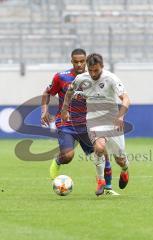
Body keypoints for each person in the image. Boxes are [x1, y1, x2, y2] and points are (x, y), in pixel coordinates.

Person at [41, 49, 118, 196]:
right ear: (71, 61)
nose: (79, 64)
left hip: (88, 123)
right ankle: (58, 160)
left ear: (87, 61)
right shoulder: (61, 77)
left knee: (102, 151)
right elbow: (47, 92)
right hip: (67, 123)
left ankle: (107, 187)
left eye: (82, 61)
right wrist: (44, 111)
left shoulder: (97, 77)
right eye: (76, 62)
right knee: (68, 156)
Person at [61, 53, 130, 191]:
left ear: (102, 67)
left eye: (96, 70)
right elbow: (69, 92)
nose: (93, 73)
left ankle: (125, 169)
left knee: (120, 159)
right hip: (93, 120)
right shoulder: (81, 78)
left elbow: (126, 99)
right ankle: (100, 181)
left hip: (112, 120)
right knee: (99, 148)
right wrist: (64, 109)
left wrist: (121, 116)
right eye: (90, 70)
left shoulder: (111, 78)